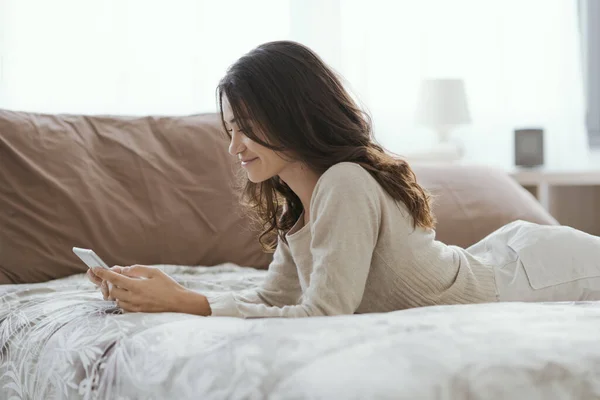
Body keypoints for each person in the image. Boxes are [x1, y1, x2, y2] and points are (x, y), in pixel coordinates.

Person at [88, 41, 600, 317]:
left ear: (291, 114)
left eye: (245, 128)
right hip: (501, 258)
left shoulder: (346, 182)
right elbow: (275, 300)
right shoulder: (298, 210)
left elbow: (325, 313)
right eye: (229, 130)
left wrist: (186, 303)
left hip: (528, 272)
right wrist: (172, 292)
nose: (233, 147)